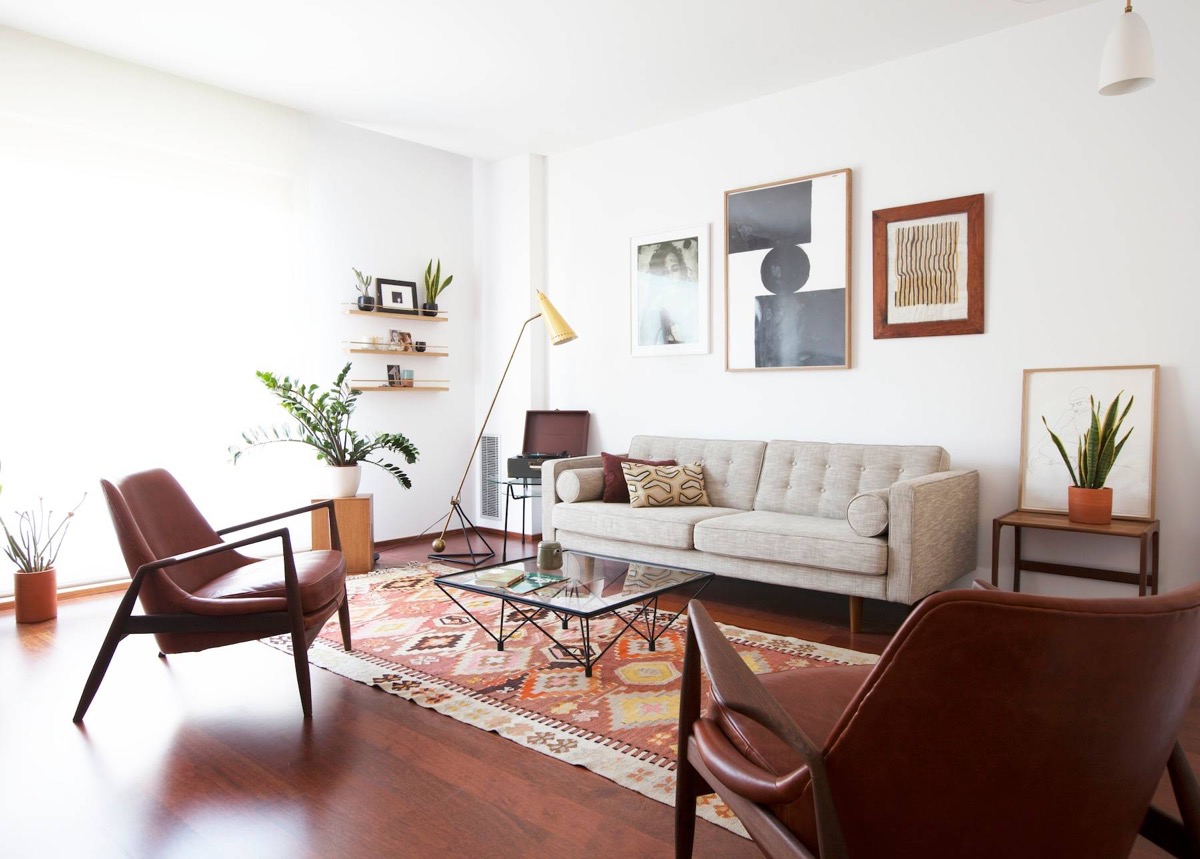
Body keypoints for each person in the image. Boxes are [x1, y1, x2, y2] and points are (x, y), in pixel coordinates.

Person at [637, 240, 697, 347]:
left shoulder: (694, 304)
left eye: (674, 269)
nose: (669, 275)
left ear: (682, 271)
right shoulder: (652, 313)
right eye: (664, 272)